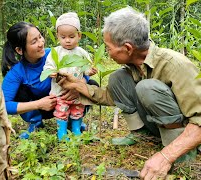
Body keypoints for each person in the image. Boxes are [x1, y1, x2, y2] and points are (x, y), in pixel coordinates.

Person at [57, 7, 201, 179]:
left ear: (127, 48)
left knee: (146, 88)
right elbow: (113, 96)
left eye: (108, 47)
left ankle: (181, 152)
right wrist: (78, 86)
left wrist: (165, 157)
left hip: (186, 136)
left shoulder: (175, 65)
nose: (107, 53)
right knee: (117, 78)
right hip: (156, 125)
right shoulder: (135, 66)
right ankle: (142, 134)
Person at [1, 22, 98, 139]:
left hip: (66, 99)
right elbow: (4, 105)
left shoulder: (55, 54)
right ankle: (35, 123)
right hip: (43, 108)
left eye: (40, 37)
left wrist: (78, 86)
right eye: (34, 42)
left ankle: (73, 121)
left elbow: (80, 69)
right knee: (19, 91)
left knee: (92, 85)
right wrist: (38, 104)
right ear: (20, 50)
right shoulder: (17, 72)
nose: (41, 43)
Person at [43, 12, 96, 141]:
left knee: (78, 109)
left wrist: (90, 71)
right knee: (61, 111)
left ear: (79, 36)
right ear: (57, 36)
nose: (67, 40)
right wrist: (51, 72)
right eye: (63, 37)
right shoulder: (55, 52)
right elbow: (48, 67)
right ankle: (62, 132)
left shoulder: (82, 52)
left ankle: (76, 129)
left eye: (71, 36)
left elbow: (86, 68)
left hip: (77, 91)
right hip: (60, 91)